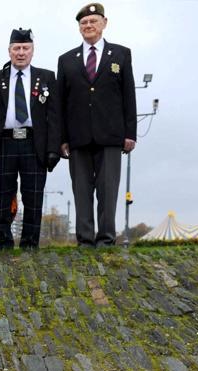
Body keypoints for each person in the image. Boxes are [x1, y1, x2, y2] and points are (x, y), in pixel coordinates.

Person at [57, 3, 136, 247]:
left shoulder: (121, 54)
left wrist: (130, 133)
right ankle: (85, 239)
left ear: (104, 23)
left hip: (111, 135)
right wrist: (62, 138)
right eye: (84, 23)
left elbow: (128, 95)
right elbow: (61, 103)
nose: (88, 26)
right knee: (81, 191)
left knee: (108, 190)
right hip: (78, 136)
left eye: (93, 21)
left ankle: (106, 238)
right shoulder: (67, 60)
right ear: (79, 27)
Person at [0, 28, 60, 250]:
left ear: (32, 51)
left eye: (25, 48)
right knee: (1, 197)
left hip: (33, 144)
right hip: (3, 144)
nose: (21, 53)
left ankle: (29, 244)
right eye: (16, 48)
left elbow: (54, 116)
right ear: (8, 51)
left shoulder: (46, 77)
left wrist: (53, 149)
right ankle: (4, 244)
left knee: (33, 197)